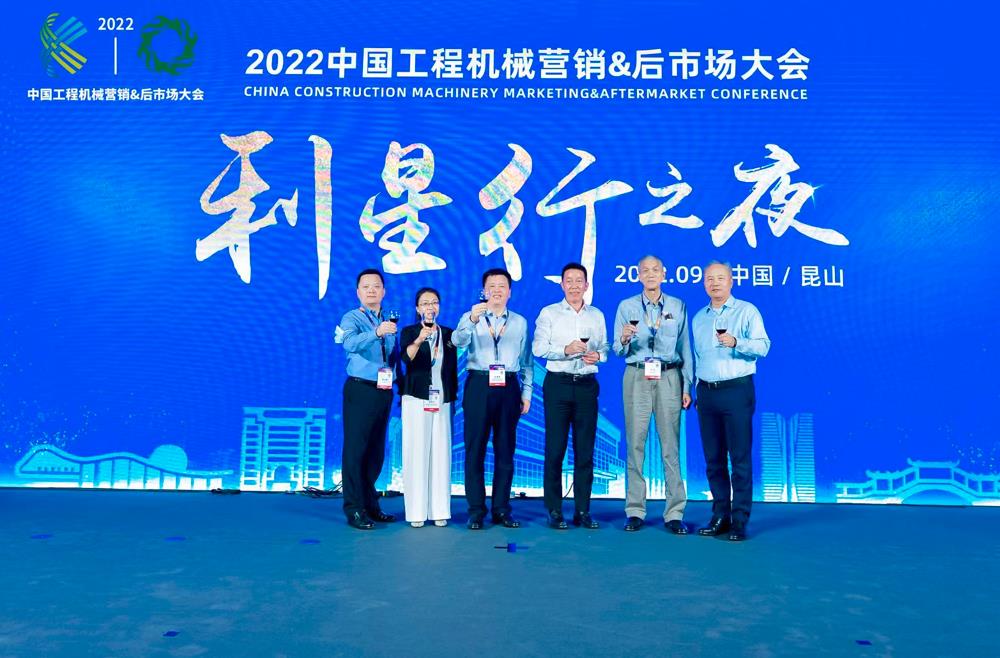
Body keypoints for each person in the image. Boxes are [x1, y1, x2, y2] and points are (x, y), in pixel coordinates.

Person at [612, 255, 693, 534]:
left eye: (655, 270)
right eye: (645, 270)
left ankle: (675, 512)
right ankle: (635, 510)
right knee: (635, 444)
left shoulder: (677, 306)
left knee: (671, 446)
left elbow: (685, 348)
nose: (650, 274)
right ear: (638, 275)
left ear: (663, 274)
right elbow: (617, 349)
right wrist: (624, 338)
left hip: (669, 376)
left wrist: (687, 386)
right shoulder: (626, 306)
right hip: (637, 375)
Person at [692, 261, 771, 542]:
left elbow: (763, 346)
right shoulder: (698, 318)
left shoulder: (747, 311)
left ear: (731, 281)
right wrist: (695, 389)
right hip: (706, 393)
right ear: (704, 283)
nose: (714, 283)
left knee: (739, 459)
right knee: (713, 460)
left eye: (720, 278)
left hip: (737, 390)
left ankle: (739, 520)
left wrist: (737, 342)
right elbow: (697, 358)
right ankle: (720, 516)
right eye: (709, 279)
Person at [452, 268, 533, 529]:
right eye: (492, 286)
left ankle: (501, 509)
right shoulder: (471, 316)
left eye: (502, 286)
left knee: (505, 450)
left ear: (509, 292)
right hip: (478, 384)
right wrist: (471, 320)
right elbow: (457, 341)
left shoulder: (520, 322)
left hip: (509, 386)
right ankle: (476, 510)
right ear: (484, 291)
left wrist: (526, 392)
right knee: (474, 449)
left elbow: (527, 361)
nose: (497, 290)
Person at [532, 263, 608, 530]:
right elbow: (538, 348)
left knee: (585, 451)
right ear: (562, 284)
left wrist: (599, 355)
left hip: (587, 385)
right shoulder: (549, 313)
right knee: (555, 449)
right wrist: (565, 349)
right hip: (558, 385)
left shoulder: (596, 315)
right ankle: (554, 510)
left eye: (579, 281)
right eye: (569, 280)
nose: (574, 285)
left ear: (586, 285)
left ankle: (582, 510)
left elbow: (605, 347)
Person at [338, 268, 400, 530]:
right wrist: (376, 333)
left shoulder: (389, 318)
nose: (371, 290)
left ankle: (370, 504)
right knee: (356, 450)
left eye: (376, 286)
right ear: (358, 292)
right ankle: (354, 508)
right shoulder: (351, 318)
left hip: (383, 390)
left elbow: (393, 354)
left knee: (375, 451)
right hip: (360, 389)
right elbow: (349, 343)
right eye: (366, 286)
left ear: (383, 291)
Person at [399, 287, 458, 528]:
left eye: (434, 302)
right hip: (416, 397)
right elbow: (406, 359)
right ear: (417, 308)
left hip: (442, 398)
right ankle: (416, 511)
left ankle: (439, 509)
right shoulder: (409, 331)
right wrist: (420, 339)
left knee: (441, 452)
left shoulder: (449, 334)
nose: (430, 307)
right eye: (425, 303)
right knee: (417, 451)